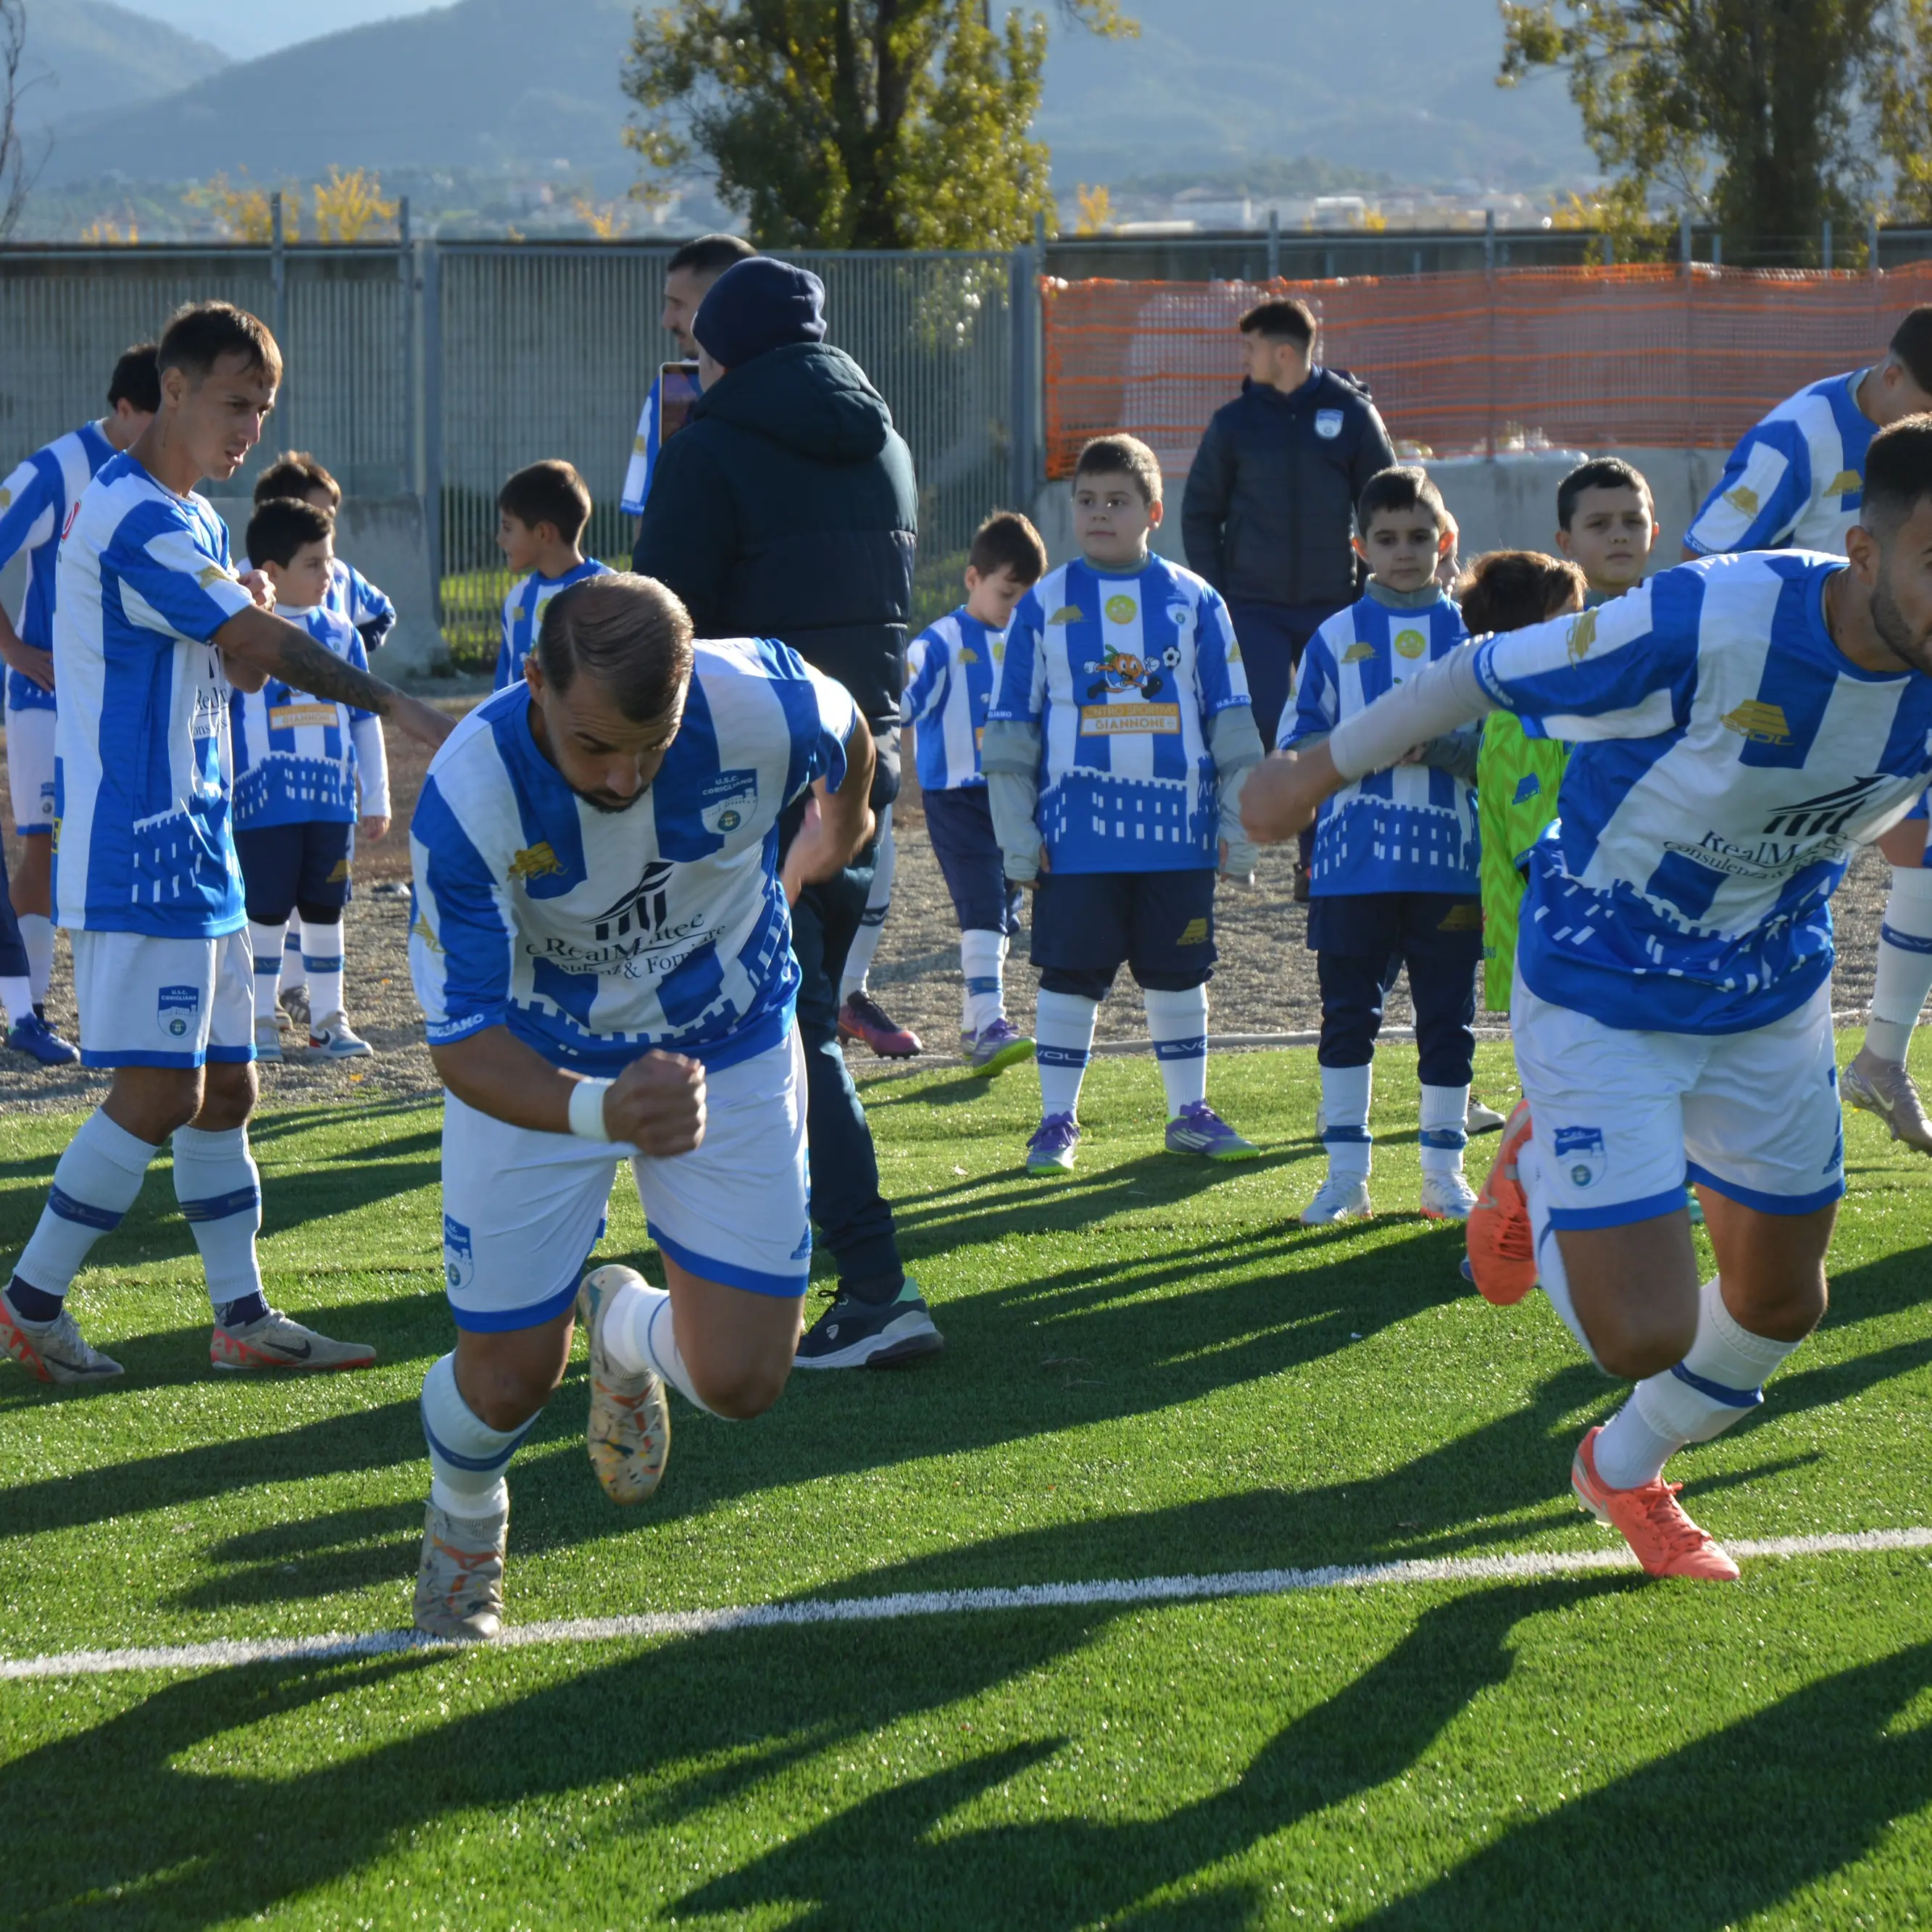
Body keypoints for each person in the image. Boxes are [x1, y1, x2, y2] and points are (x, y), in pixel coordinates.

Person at [1243, 415, 1932, 1581]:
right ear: (1865, 553)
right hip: (1602, 972)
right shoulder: (1717, 616)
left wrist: (1886, 1041)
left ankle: (1620, 1469)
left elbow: (1914, 854)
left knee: (1780, 1303)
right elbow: (1478, 670)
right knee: (1643, 1329)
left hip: (1767, 989)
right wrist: (1312, 769)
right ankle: (1530, 1166)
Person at [407, 572, 875, 1638]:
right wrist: (602, 1111)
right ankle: (464, 1522)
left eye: (651, 744)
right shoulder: (473, 793)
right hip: (540, 1064)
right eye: (592, 745)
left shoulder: (763, 703)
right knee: (506, 1381)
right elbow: (461, 1039)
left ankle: (623, 1328)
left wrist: (829, 838)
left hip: (732, 1035)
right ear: (533, 681)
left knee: (748, 1379)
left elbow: (851, 742)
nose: (622, 776)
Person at [0, 299, 450, 1387]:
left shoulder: (192, 517)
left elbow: (237, 661)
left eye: (266, 406)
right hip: (139, 848)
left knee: (231, 1085)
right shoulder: (131, 515)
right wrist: (400, 709)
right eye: (236, 402)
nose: (252, 426)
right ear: (172, 388)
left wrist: (241, 606)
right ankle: (27, 1301)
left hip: (201, 843)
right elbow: (256, 643)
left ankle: (240, 1316)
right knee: (157, 1092)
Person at [633, 256, 942, 1370]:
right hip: (860, 763)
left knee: (786, 1024)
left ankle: (870, 1281)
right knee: (787, 1015)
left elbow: (659, 631)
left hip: (746, 779)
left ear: (728, 349)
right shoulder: (887, 444)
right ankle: (785, 1262)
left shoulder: (709, 447)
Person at [985, 434, 1264, 1175]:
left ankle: (1188, 1114)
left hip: (1178, 834)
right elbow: (1010, 734)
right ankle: (1054, 1121)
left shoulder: (1194, 598)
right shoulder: (1044, 600)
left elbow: (1231, 722)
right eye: (1086, 500)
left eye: (1116, 501)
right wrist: (1018, 836)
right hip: (1075, 839)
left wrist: (1237, 825)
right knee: (1068, 975)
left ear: (1152, 510)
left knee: (1178, 975)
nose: (1099, 513)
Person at [1688, 312, 1932, 1152]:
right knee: (1752, 903)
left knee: (1926, 861)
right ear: (1892, 377)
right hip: (1780, 712)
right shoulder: (1796, 436)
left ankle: (1880, 1057)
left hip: (1901, 693)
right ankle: (1671, 1111)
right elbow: (1707, 564)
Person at [1283, 466, 1482, 1225]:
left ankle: (1442, 1176)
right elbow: (1297, 744)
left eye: (1419, 537)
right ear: (1358, 547)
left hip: (1449, 867)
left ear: (1445, 541)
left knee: (1446, 1018)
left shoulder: (1471, 633)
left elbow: (1498, 742)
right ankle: (1345, 1177)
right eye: (1387, 539)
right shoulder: (1334, 637)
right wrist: (1361, 747)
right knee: (1346, 1017)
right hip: (1350, 867)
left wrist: (1437, 748)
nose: (1404, 552)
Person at [1181, 296, 1396, 901]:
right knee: (1259, 725)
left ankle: (1314, 863)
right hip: (1255, 608)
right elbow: (1200, 513)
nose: (1243, 360)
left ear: (1282, 353)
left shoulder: (1352, 415)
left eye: (1250, 349)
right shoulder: (1234, 423)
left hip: (1335, 606)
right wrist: (1222, 594)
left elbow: (1387, 501)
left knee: (1327, 731)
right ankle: (1237, 851)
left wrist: (1365, 592)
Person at [0, 341, 159, 1065]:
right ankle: (27, 1009)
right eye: (153, 418)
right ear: (123, 408)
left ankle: (116, 1009)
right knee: (44, 845)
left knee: (121, 843)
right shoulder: (54, 468)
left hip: (120, 703)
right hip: (45, 702)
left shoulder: (161, 475)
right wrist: (14, 649)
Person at [1478, 457, 1658, 1016]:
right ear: (1566, 540)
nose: (1619, 534)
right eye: (1599, 524)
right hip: (1573, 917)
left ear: (1656, 528)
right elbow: (1533, 835)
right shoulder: (1543, 660)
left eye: (1632, 520)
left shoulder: (1681, 624)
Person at [232, 496, 391, 1065]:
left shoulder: (342, 632)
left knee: (326, 911)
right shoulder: (243, 631)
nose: (330, 575)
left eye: (331, 561)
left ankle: (328, 1020)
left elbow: (365, 716)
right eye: (316, 564)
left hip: (331, 805)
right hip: (262, 806)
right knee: (266, 913)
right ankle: (259, 1020)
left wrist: (375, 796)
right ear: (271, 573)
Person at [902, 510, 1046, 1074]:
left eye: (1023, 600)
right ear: (972, 579)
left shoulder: (1027, 645)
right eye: (1006, 594)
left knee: (1005, 910)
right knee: (984, 907)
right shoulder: (938, 643)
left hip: (1012, 797)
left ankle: (975, 1024)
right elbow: (900, 705)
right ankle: (989, 1023)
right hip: (956, 799)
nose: (1013, 609)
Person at [620, 233, 757, 530]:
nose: (666, 320)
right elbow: (648, 512)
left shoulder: (678, 387)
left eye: (678, 304)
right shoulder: (675, 388)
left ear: (724, 303)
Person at [492, 460, 611, 691]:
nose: (499, 539)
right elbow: (503, 692)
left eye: (508, 528)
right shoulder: (517, 599)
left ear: (543, 533)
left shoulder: (610, 592)